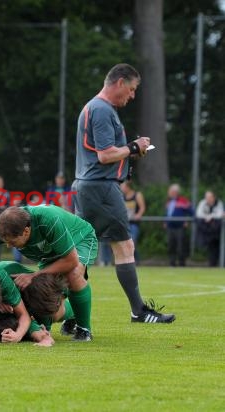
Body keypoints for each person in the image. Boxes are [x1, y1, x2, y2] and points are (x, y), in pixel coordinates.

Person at [72, 63, 175, 323]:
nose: (132, 96)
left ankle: (67, 315)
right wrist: (133, 146)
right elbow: (105, 155)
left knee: (80, 255)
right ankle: (138, 311)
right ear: (119, 83)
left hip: (88, 187)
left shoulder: (94, 108)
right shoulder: (102, 110)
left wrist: (130, 152)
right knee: (124, 246)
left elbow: (108, 153)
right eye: (131, 90)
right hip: (101, 188)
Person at [0, 205, 96, 341]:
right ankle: (73, 314)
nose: (8, 245)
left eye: (12, 242)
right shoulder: (4, 225)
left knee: (73, 275)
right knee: (51, 309)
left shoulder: (48, 220)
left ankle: (83, 330)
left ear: (26, 231)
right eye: (5, 242)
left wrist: (34, 275)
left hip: (79, 239)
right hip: (49, 254)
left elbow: (71, 261)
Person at [165, 183, 193, 267]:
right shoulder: (168, 201)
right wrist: (165, 222)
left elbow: (191, 211)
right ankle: (172, 263)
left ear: (175, 192)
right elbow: (167, 213)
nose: (169, 193)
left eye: (170, 191)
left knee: (180, 246)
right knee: (171, 245)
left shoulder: (183, 200)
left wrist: (187, 221)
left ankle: (181, 264)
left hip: (180, 227)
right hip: (170, 227)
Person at [195, 190, 223, 267]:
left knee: (215, 247)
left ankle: (216, 263)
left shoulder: (219, 203)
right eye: (206, 197)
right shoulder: (202, 203)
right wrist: (207, 217)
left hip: (215, 231)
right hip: (206, 228)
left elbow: (220, 214)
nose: (207, 199)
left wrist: (210, 216)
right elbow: (199, 214)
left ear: (214, 197)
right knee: (199, 221)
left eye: (209, 197)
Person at [120, 180, 146, 263]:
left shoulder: (137, 195)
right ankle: (131, 261)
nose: (121, 188)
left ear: (128, 187)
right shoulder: (122, 196)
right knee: (125, 243)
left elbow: (142, 207)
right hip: (124, 223)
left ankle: (136, 260)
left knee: (132, 242)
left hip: (134, 223)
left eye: (122, 186)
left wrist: (139, 214)